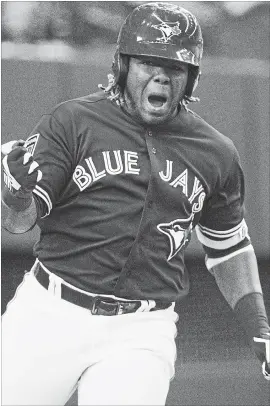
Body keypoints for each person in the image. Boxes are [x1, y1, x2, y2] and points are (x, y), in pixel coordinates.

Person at [1, 2, 269, 406]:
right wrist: (13, 191)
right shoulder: (72, 121)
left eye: (175, 68)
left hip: (142, 330)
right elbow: (19, 222)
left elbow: (228, 245)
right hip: (50, 313)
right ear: (123, 65)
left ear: (191, 77)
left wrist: (258, 324)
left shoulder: (216, 153)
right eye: (147, 62)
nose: (161, 75)